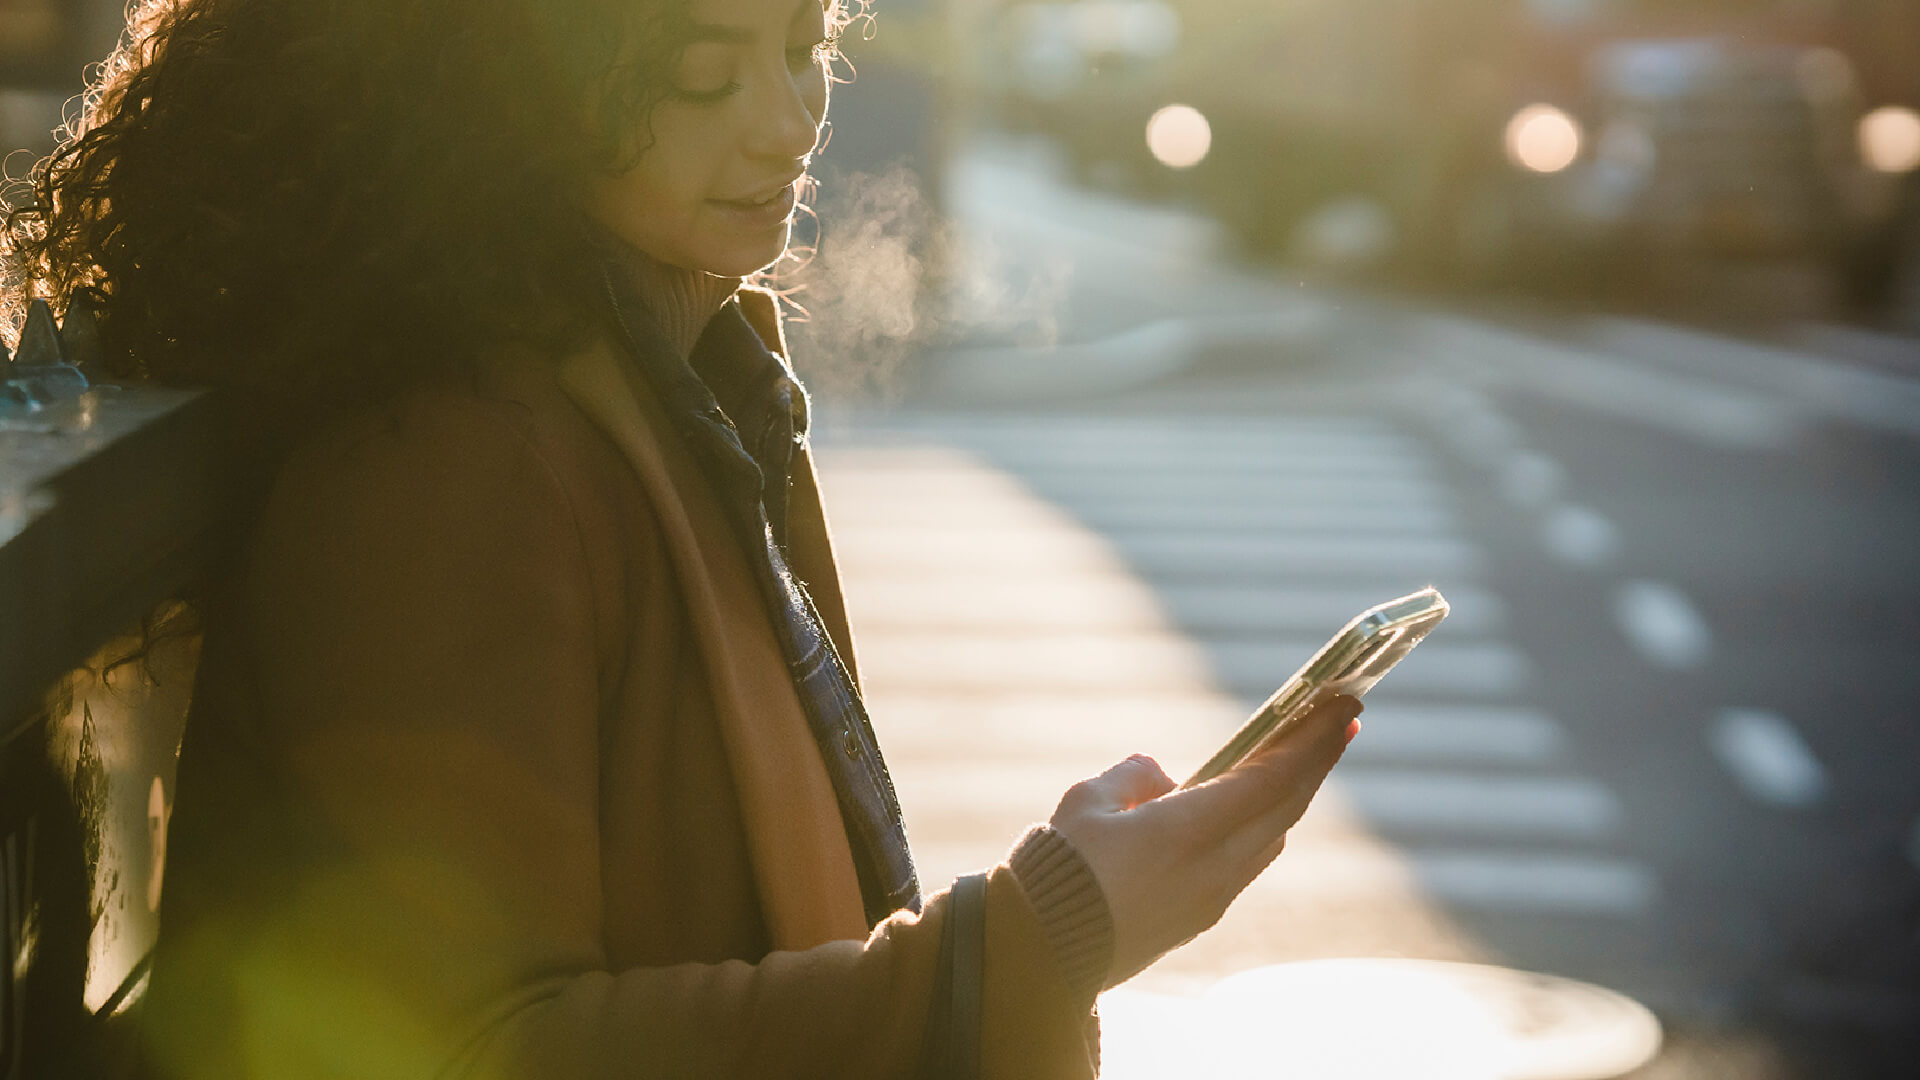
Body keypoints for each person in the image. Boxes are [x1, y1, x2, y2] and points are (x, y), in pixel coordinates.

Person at [3, 0, 1363, 1075]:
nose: (786, 122)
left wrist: (1043, 917)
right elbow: (472, 1049)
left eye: (800, 45)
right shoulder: (445, 464)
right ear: (516, 89)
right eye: (705, 74)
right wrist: (1044, 930)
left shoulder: (665, 374)